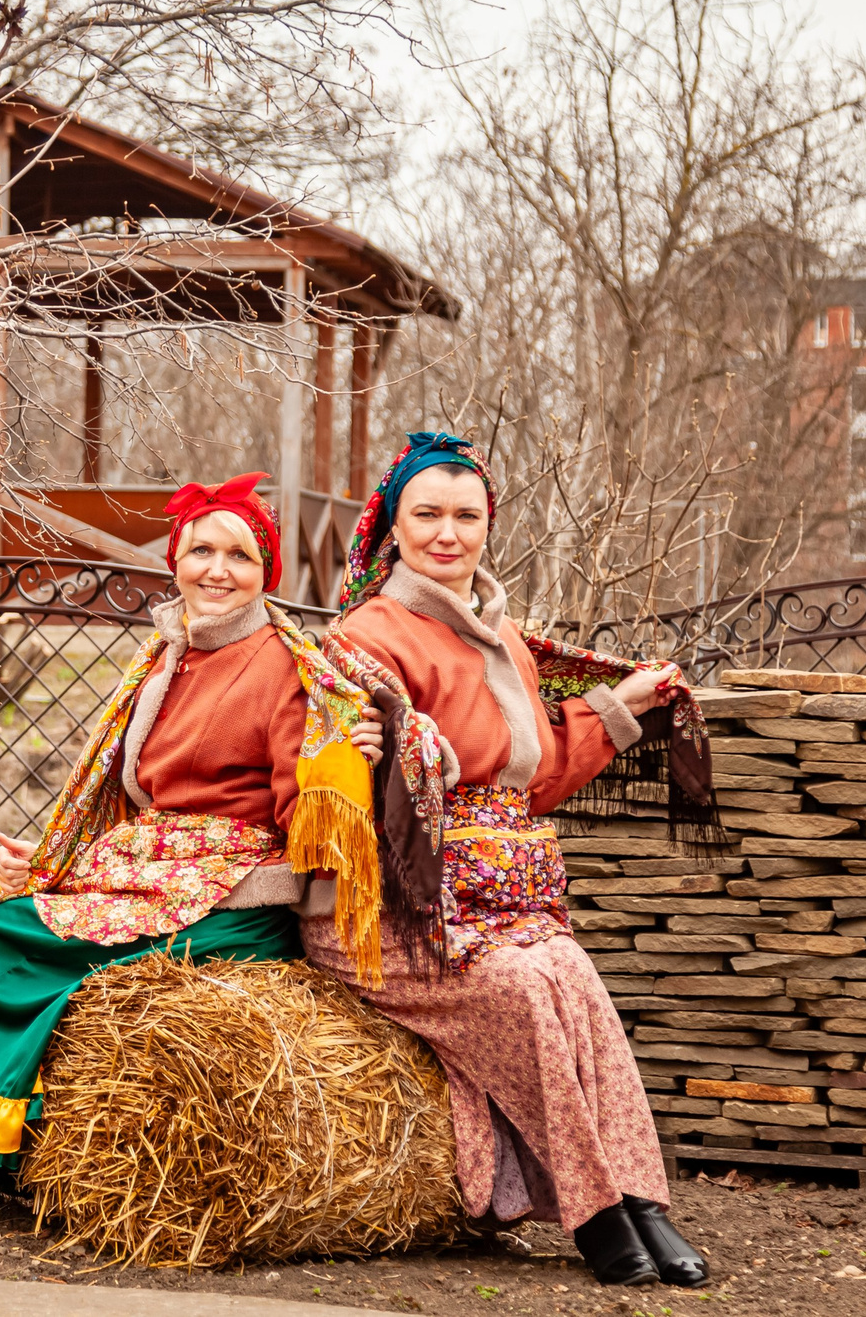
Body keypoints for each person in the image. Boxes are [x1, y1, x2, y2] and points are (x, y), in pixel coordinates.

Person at [0, 472, 384, 1218]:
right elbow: (133, 799)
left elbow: (308, 815)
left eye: (240, 556)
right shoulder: (163, 658)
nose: (218, 570)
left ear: (266, 572)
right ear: (176, 560)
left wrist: (344, 760)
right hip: (152, 874)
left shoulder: (288, 667)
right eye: (202, 550)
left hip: (229, 903)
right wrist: (62, 862)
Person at [304, 431, 722, 1288]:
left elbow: (527, 781)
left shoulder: (509, 642)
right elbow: (331, 763)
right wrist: (380, 745)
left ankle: (646, 1200)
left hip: (507, 905)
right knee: (528, 992)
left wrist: (619, 704)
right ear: (393, 526)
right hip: (396, 912)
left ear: (489, 525)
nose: (446, 533)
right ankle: (597, 1215)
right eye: (427, 514)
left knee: (574, 977)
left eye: (466, 514)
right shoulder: (365, 634)